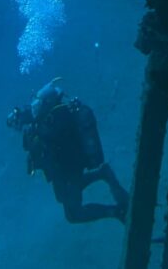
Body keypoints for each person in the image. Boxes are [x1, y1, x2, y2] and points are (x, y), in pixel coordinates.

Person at [7, 79, 129, 224]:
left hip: (69, 167)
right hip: (63, 169)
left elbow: (50, 142)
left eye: (38, 103)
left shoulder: (54, 118)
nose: (33, 106)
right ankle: (103, 174)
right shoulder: (44, 121)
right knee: (62, 198)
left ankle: (117, 211)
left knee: (74, 214)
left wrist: (35, 136)